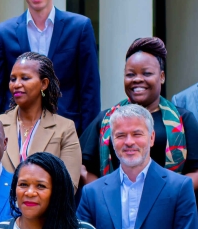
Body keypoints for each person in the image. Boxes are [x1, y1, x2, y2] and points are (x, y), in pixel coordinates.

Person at [0, 0, 100, 134]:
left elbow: (90, 92)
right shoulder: (2, 33)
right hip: (16, 137)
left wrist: (86, 152)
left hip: (66, 135)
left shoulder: (80, 28)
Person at [81, 37, 198, 187]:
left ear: (161, 77)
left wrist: (171, 191)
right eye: (130, 74)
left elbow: (196, 172)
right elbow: (82, 166)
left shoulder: (183, 119)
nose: (137, 79)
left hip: (167, 206)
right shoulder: (106, 119)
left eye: (147, 73)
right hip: (115, 207)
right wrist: (105, 194)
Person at [0, 52, 81, 187]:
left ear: (44, 84)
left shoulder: (65, 128)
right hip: (1, 206)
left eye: (25, 78)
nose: (16, 84)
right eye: (13, 79)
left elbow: (69, 185)